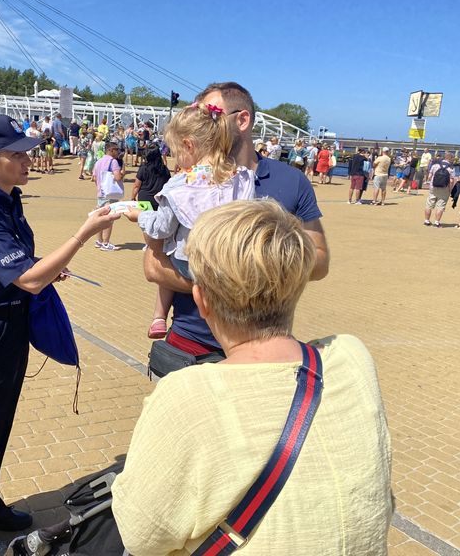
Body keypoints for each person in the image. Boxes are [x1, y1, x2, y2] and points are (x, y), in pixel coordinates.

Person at [112, 199, 393, 555]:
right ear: (297, 285)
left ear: (202, 299)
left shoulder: (188, 394)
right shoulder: (352, 357)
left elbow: (141, 536)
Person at [0, 114, 119, 556]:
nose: (29, 158)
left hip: (8, 326)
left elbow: (21, 263)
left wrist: (45, 265)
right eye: (18, 153)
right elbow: (25, 279)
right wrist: (82, 234)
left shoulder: (7, 200)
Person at [141, 82, 329, 357]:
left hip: (262, 348)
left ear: (242, 119)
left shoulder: (291, 181)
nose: (201, 124)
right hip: (189, 342)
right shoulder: (188, 182)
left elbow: (320, 260)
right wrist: (239, 286)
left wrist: (227, 281)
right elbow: (153, 267)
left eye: (212, 116)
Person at [126, 101, 256, 340]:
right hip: (229, 261)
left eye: (176, 153)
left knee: (159, 248)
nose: (177, 160)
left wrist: (140, 216)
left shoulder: (180, 184)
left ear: (188, 145)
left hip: (191, 264)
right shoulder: (242, 176)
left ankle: (159, 315)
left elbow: (162, 226)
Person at [92, 141, 124, 251]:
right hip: (110, 194)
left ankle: (99, 241)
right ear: (110, 150)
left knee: (100, 217)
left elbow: (94, 178)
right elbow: (117, 177)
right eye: (116, 149)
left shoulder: (98, 162)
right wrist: (122, 173)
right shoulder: (113, 162)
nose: (118, 152)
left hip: (100, 193)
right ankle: (106, 242)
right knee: (110, 218)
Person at [423, 154, 454, 227]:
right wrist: (450, 189)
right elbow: (451, 181)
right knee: (440, 205)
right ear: (451, 159)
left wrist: (431, 182)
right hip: (444, 188)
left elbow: (430, 177)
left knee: (429, 204)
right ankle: (437, 222)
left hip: (433, 187)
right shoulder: (451, 168)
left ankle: (426, 220)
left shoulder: (435, 165)